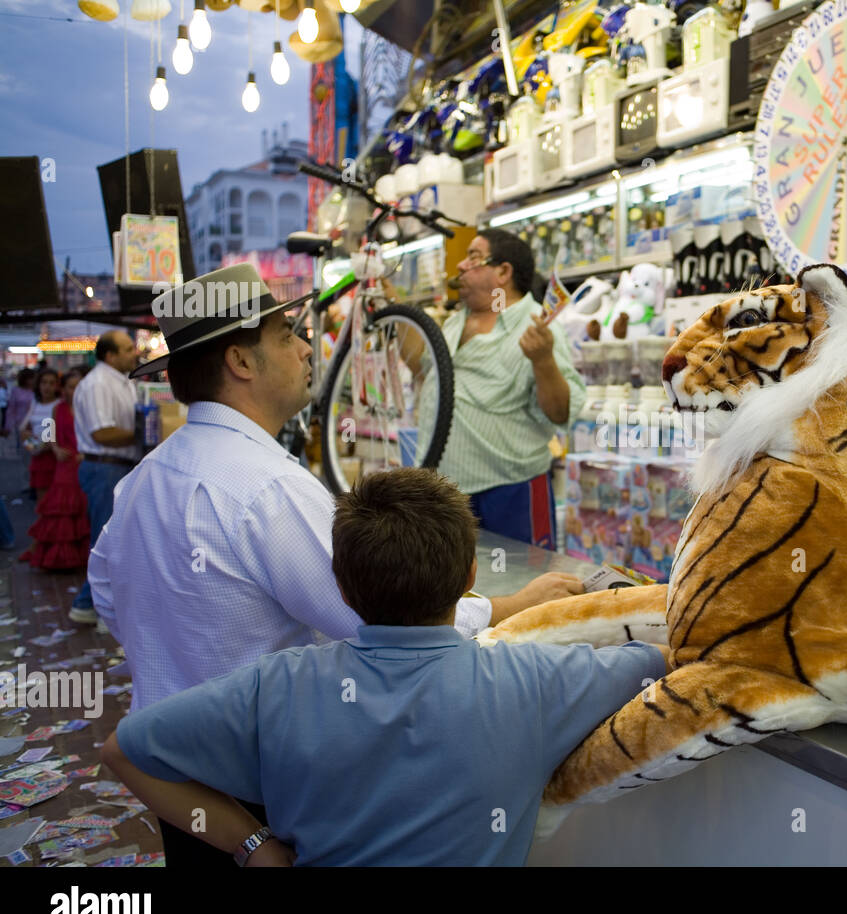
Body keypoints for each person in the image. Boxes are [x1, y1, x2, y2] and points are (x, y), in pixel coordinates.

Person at [87, 266, 582, 863]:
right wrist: (514, 606)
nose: (303, 349)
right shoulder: (268, 488)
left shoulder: (141, 482)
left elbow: (111, 601)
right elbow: (385, 622)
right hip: (264, 802)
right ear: (242, 363)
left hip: (175, 790)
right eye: (285, 336)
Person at [102, 467, 666, 866]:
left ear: (343, 591)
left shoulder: (276, 686)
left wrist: (254, 848)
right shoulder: (538, 681)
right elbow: (665, 661)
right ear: (470, 576)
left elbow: (124, 752)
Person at [423, 228, 586, 549]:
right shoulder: (456, 321)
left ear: (503, 271)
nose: (460, 266)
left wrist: (543, 361)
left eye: (473, 257)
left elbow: (560, 413)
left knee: (526, 585)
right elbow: (425, 372)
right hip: (446, 492)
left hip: (511, 493)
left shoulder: (536, 326)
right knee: (460, 592)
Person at [67, 331, 141, 627]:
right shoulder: (98, 383)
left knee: (115, 541)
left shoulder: (120, 381)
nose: (134, 352)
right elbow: (102, 433)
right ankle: (97, 608)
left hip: (117, 466)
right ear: (110, 355)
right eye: (127, 349)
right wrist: (146, 431)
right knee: (107, 542)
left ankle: (90, 604)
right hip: (104, 468)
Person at [22, 366, 90, 570]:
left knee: (81, 509)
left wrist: (84, 454)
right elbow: (49, 434)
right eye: (70, 387)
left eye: (78, 387)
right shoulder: (56, 408)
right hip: (62, 463)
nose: (74, 391)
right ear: (65, 389)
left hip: (80, 462)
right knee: (59, 509)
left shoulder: (88, 409)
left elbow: (92, 436)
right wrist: (56, 448)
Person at [20, 369, 61, 504]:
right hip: (37, 457)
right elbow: (23, 431)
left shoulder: (60, 405)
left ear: (57, 385)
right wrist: (34, 446)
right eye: (44, 382)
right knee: (42, 503)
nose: (47, 387)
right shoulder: (34, 403)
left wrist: (37, 444)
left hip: (55, 458)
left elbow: (59, 435)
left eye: (51, 383)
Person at [4, 368, 35, 451]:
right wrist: (8, 426)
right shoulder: (16, 391)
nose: (31, 381)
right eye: (29, 378)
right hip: (21, 424)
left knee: (36, 448)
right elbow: (11, 409)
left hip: (36, 423)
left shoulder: (37, 391)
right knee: (26, 448)